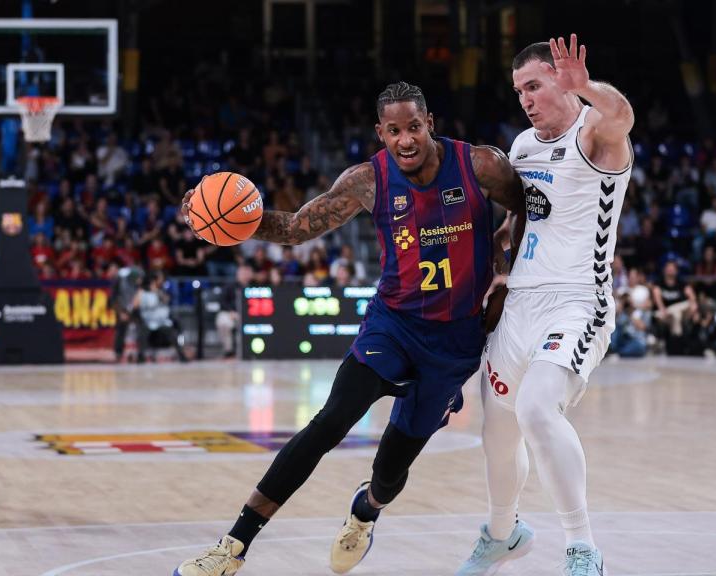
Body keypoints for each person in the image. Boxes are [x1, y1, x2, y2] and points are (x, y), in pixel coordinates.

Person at [174, 81, 526, 576]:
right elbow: (297, 229)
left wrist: (506, 273)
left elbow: (526, 207)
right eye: (395, 131)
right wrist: (230, 223)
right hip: (393, 325)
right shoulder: (368, 181)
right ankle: (232, 547)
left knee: (390, 472)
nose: (406, 140)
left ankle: (365, 512)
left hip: (455, 341)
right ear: (381, 133)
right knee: (331, 420)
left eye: (415, 128)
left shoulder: (479, 165)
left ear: (431, 125)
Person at [456, 35, 634, 576]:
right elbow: (522, 220)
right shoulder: (524, 146)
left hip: (577, 301)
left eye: (534, 85)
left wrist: (590, 90)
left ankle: (583, 546)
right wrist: (500, 272)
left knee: (537, 408)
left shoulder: (597, 134)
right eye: (519, 91)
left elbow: (622, 114)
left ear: (563, 81)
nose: (526, 99)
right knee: (497, 430)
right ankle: (502, 533)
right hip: (521, 304)